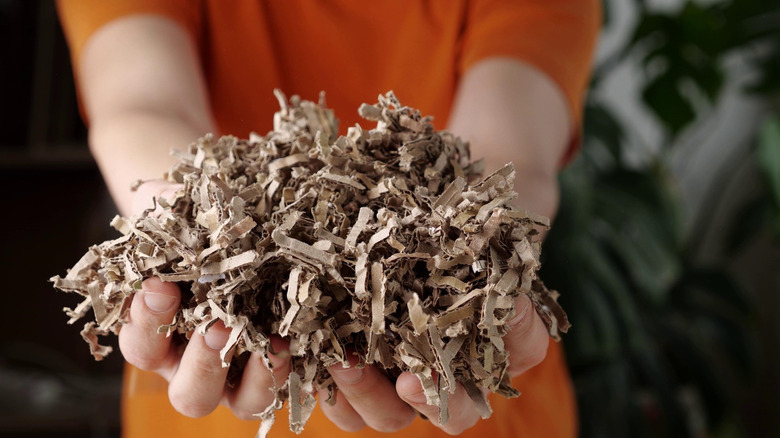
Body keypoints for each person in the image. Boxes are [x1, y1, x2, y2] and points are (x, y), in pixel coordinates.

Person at [56, 1, 600, 437]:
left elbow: (508, 156)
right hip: (212, 398)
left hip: (461, 398)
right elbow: (143, 103)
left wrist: (478, 247)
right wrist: (186, 222)